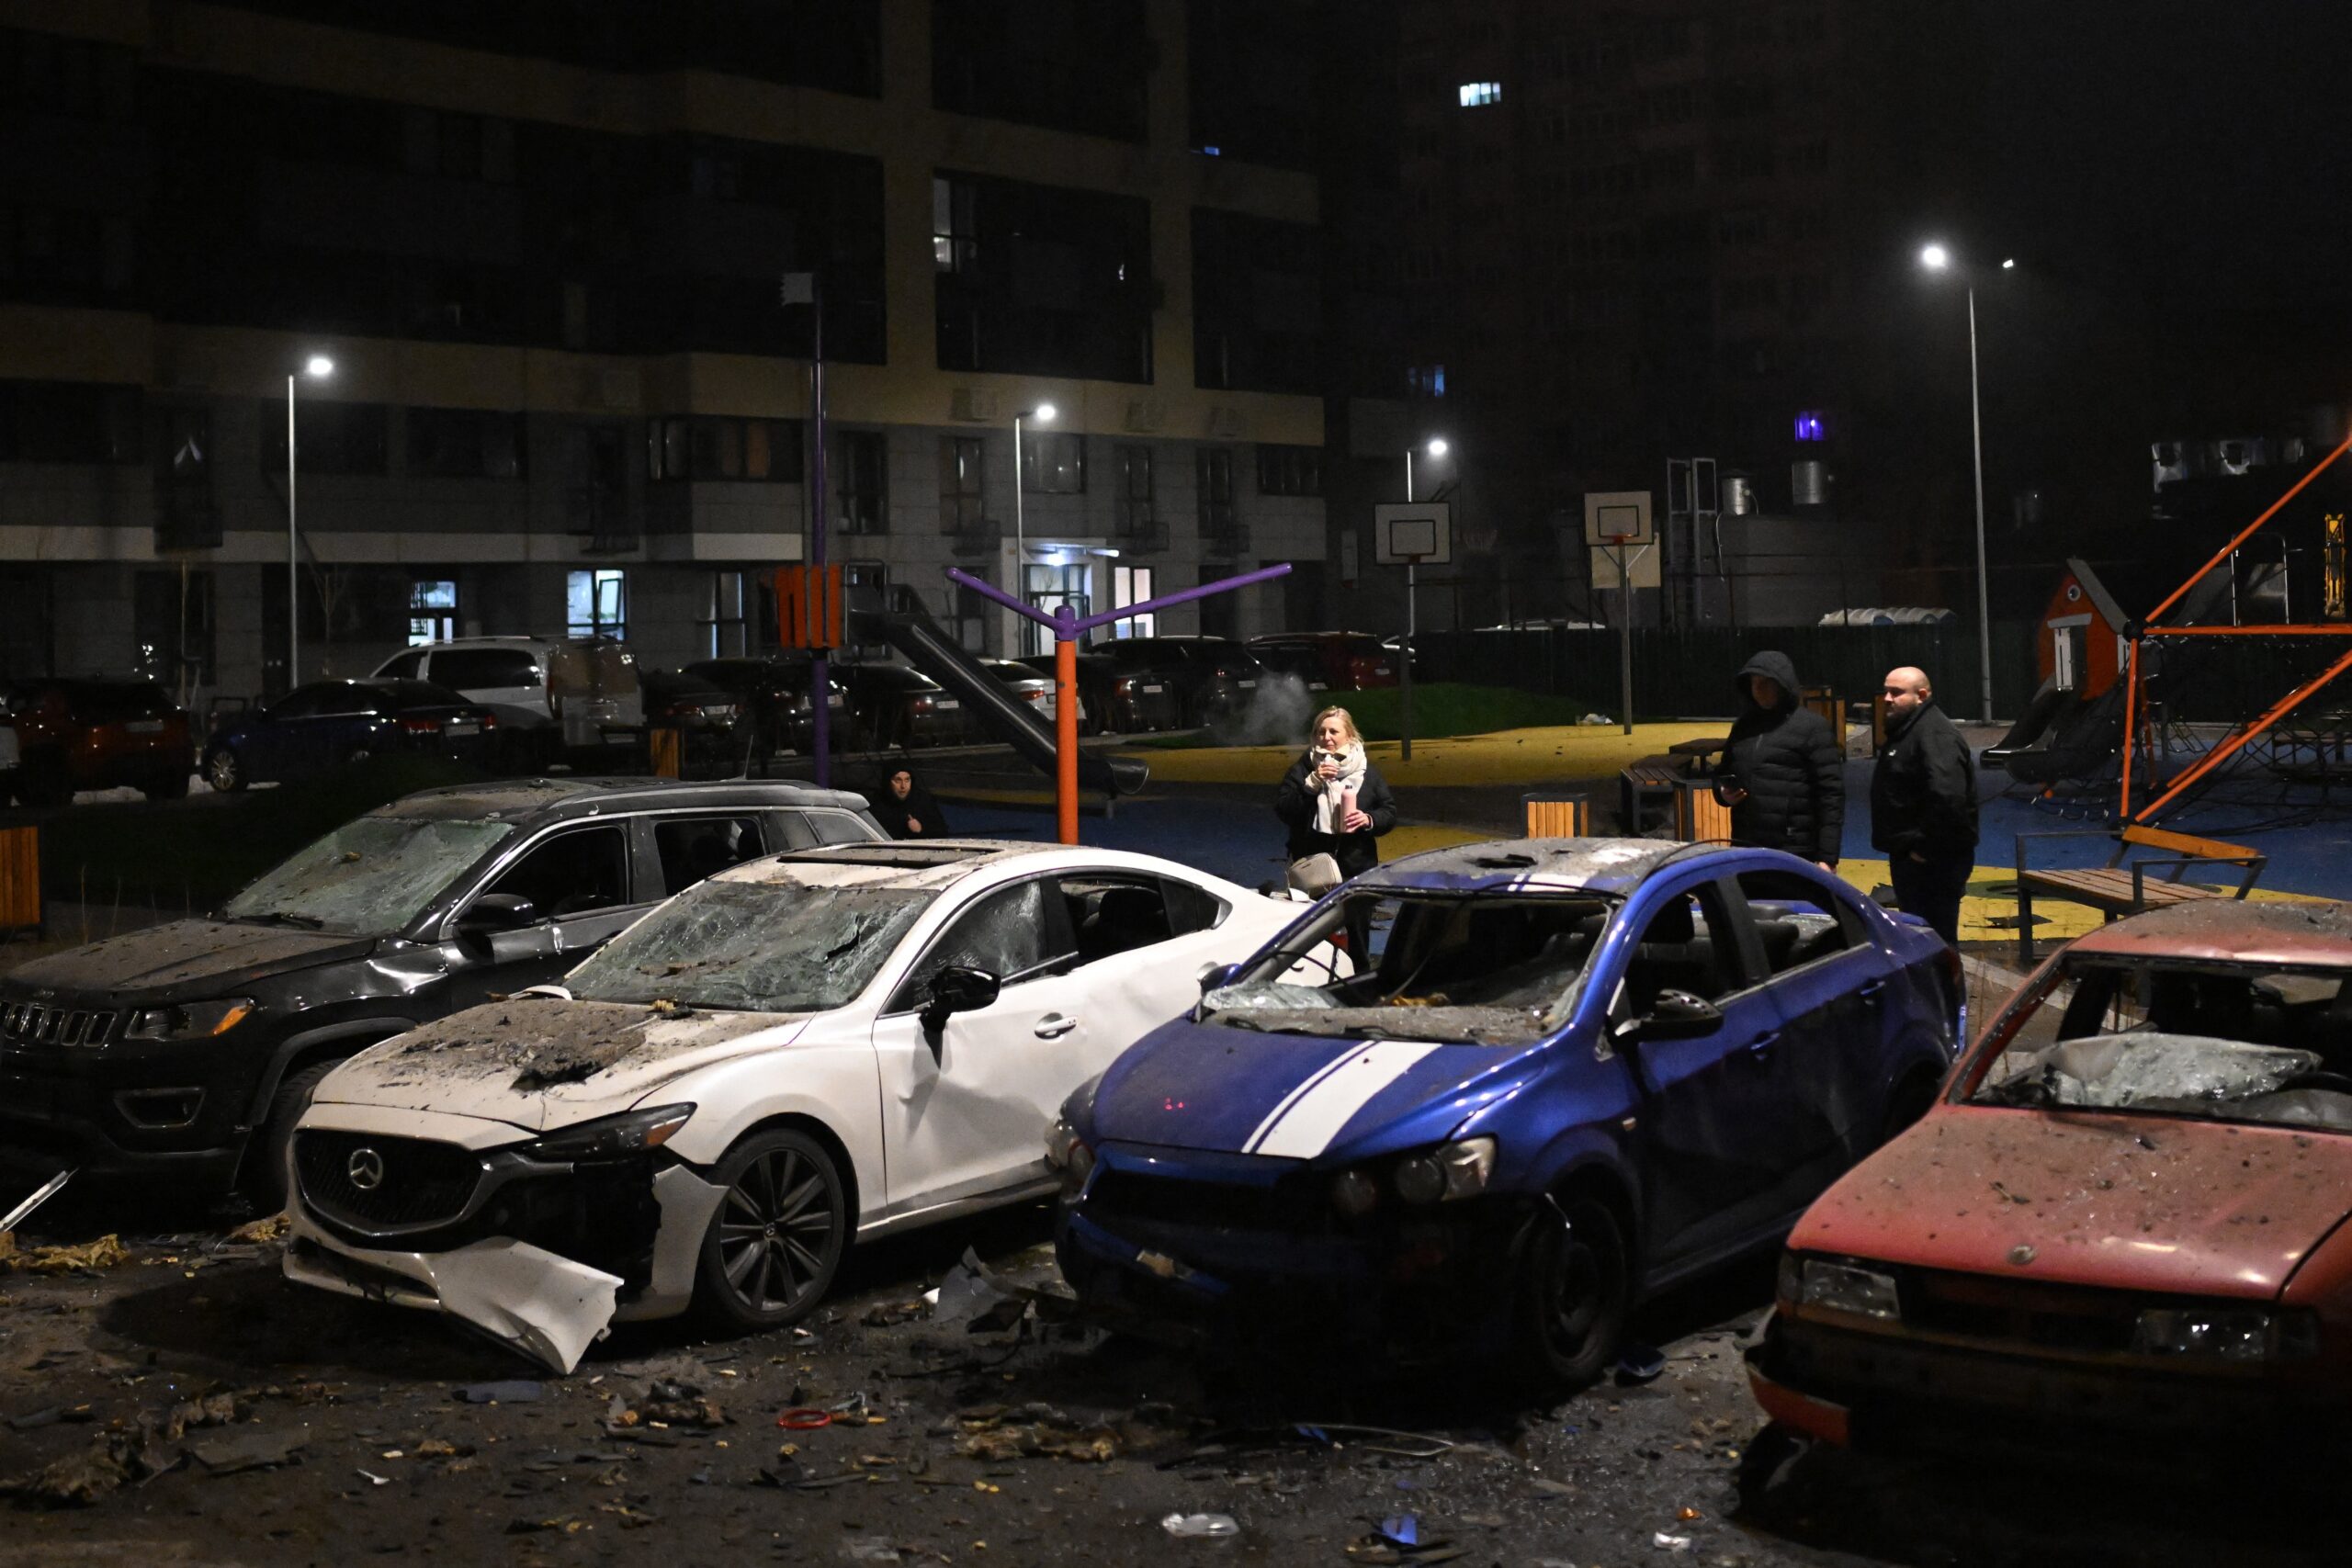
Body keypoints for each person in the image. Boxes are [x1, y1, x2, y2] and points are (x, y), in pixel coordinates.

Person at [1275, 708, 1397, 959]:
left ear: (1349, 736)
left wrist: (1368, 819)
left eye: (1334, 731)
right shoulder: (1302, 770)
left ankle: (1359, 982)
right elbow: (1284, 810)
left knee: (1358, 936)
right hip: (1313, 867)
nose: (1327, 737)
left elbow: (1389, 811)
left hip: (1356, 865)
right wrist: (1311, 786)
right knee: (1314, 934)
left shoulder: (1366, 772)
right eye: (1321, 732)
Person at [1871, 665, 1979, 945]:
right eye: (1886, 691)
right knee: (1923, 940)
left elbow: (1948, 798)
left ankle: (1946, 990)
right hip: (1917, 857)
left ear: (1921, 695)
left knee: (1935, 942)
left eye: (1896, 692)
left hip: (1931, 863)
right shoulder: (1912, 730)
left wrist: (1924, 849)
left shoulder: (1933, 735)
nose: (1887, 698)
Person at [1713, 650, 1843, 870]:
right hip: (1747, 845)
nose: (1758, 689)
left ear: (1782, 685)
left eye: (1765, 683)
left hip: (1794, 849)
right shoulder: (1744, 726)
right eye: (1754, 683)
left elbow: (1831, 794)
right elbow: (1722, 771)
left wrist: (1827, 857)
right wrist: (1722, 792)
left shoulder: (1812, 727)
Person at [867, 761, 951, 840]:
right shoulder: (876, 803)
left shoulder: (922, 800)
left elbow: (942, 831)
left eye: (907, 780)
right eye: (898, 780)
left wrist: (921, 829)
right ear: (888, 782)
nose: (903, 786)